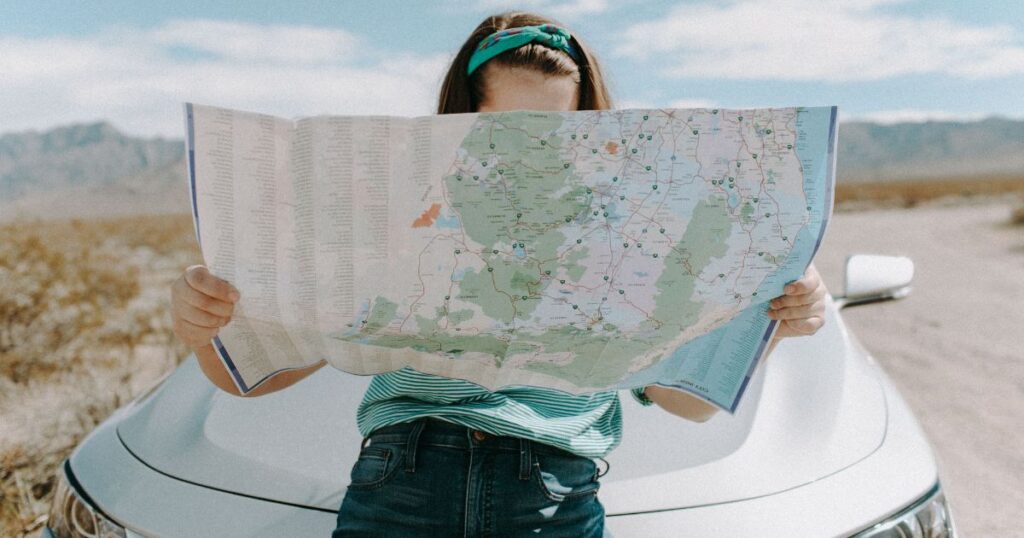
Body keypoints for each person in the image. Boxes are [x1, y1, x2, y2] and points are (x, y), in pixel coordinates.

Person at [170, 11, 828, 537]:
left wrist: (771, 325)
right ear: (460, 121)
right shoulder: (393, 211)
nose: (529, 152)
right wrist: (206, 328)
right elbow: (257, 378)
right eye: (506, 129)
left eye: (554, 132)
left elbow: (685, 403)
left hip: (553, 497)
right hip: (400, 481)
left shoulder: (633, 227)